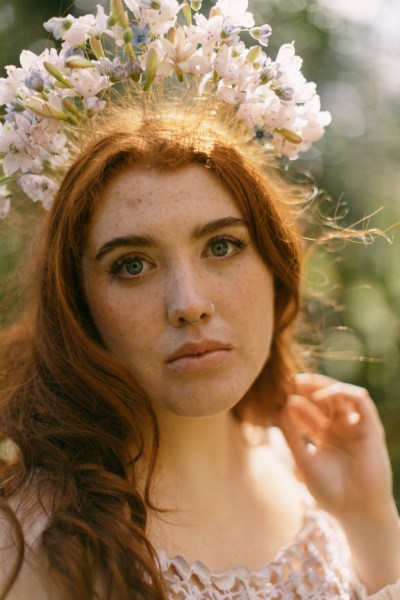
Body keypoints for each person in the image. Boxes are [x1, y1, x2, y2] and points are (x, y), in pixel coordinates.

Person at [0, 1, 399, 599]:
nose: (189, 303)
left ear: (275, 263)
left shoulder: (317, 475)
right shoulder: (29, 545)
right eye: (131, 265)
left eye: (222, 246)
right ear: (77, 304)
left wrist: (370, 523)